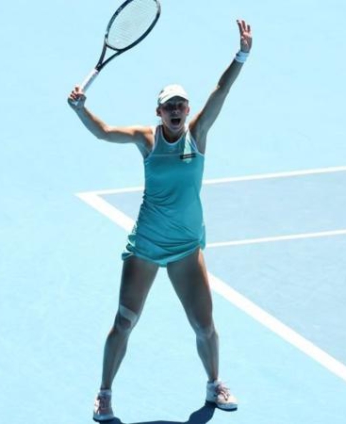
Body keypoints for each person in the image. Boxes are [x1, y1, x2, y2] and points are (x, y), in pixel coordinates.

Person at [68, 19, 253, 423]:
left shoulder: (198, 134)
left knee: (205, 327)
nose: (176, 111)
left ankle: (214, 384)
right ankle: (104, 394)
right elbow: (104, 132)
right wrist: (82, 109)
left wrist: (240, 55)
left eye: (181, 105)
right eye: (169, 106)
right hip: (147, 247)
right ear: (159, 112)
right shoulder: (146, 139)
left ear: (187, 110)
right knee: (124, 321)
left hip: (186, 248)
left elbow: (220, 91)